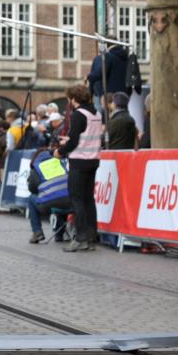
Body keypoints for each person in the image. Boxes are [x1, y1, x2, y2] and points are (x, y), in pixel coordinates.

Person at [56, 84, 103, 252]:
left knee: (77, 200)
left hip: (79, 161)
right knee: (89, 200)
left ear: (73, 99)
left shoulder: (78, 115)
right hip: (93, 160)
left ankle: (80, 238)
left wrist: (60, 150)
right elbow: (86, 135)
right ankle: (91, 237)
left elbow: (75, 140)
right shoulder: (97, 113)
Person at [25, 148, 71, 244]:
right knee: (60, 196)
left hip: (49, 206)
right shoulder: (61, 163)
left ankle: (37, 232)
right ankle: (59, 235)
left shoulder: (37, 167)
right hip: (69, 205)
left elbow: (32, 189)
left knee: (31, 199)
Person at [87, 44, 129, 113]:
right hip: (123, 92)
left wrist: (88, 77)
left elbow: (99, 73)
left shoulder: (107, 56)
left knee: (103, 114)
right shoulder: (126, 57)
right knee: (121, 113)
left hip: (107, 93)